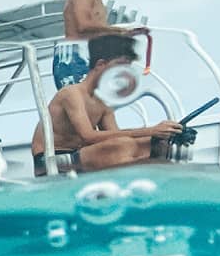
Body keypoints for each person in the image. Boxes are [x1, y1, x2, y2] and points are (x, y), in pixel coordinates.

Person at [32, 33, 182, 174]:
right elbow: (88, 137)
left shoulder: (103, 101)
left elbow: (114, 135)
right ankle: (151, 169)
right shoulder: (71, 94)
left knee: (154, 144)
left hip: (80, 155)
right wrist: (151, 130)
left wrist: (163, 135)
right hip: (52, 160)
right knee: (124, 146)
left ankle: (159, 172)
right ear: (101, 64)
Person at [54, 0, 140, 88]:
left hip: (89, 57)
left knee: (92, 105)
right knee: (79, 104)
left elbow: (96, 33)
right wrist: (118, 30)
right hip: (75, 56)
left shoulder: (100, 4)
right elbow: (83, 25)